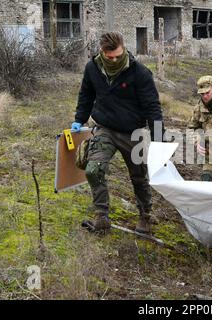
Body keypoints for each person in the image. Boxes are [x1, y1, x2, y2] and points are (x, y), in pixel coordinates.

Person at [71, 32, 163, 234]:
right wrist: (79, 119)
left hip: (133, 132)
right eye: (109, 56)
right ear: (102, 52)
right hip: (104, 128)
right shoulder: (93, 68)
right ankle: (101, 216)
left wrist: (158, 140)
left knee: (139, 177)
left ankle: (145, 216)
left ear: (123, 49)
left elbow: (152, 107)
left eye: (117, 56)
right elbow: (86, 94)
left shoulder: (139, 72)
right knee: (93, 170)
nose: (114, 60)